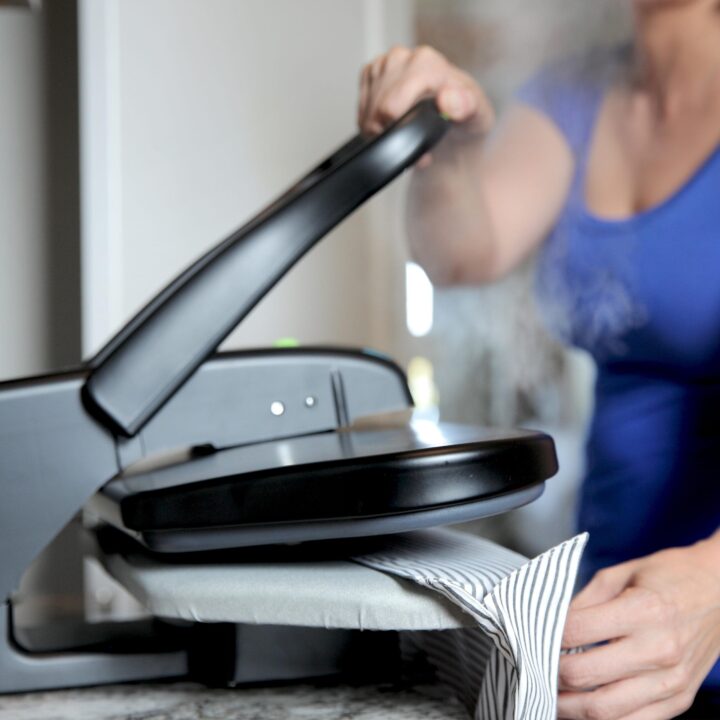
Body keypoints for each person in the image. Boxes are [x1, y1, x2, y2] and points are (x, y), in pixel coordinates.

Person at [358, 1, 720, 718]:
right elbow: (462, 252)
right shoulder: (575, 95)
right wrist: (447, 140)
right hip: (604, 622)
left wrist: (714, 587)